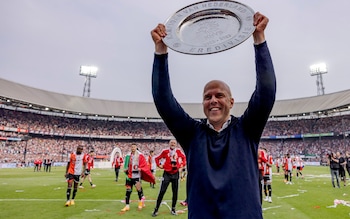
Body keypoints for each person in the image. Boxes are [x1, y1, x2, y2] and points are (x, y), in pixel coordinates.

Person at [151, 12, 276, 219]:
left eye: (220, 95)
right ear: (203, 103)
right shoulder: (192, 134)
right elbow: (163, 100)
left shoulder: (247, 129)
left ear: (231, 102)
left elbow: (267, 91)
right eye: (207, 97)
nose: (213, 100)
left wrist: (259, 40)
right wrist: (160, 52)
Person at [152, 139, 186, 217]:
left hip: (175, 174)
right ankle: (156, 209)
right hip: (167, 174)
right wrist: (159, 165)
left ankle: (173, 209)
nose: (173, 144)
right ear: (169, 144)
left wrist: (181, 166)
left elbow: (184, 158)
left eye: (174, 143)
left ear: (176, 144)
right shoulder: (165, 151)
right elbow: (157, 158)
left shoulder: (178, 152)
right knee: (162, 191)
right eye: (171, 143)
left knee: (175, 192)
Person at [121, 143, 156, 212]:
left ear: (136, 147)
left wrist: (141, 168)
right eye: (132, 147)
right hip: (129, 176)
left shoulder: (140, 155)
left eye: (134, 147)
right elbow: (126, 164)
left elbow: (144, 164)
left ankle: (141, 202)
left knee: (139, 190)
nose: (132, 148)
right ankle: (127, 206)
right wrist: (125, 170)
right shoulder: (128, 155)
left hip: (136, 176)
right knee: (128, 191)